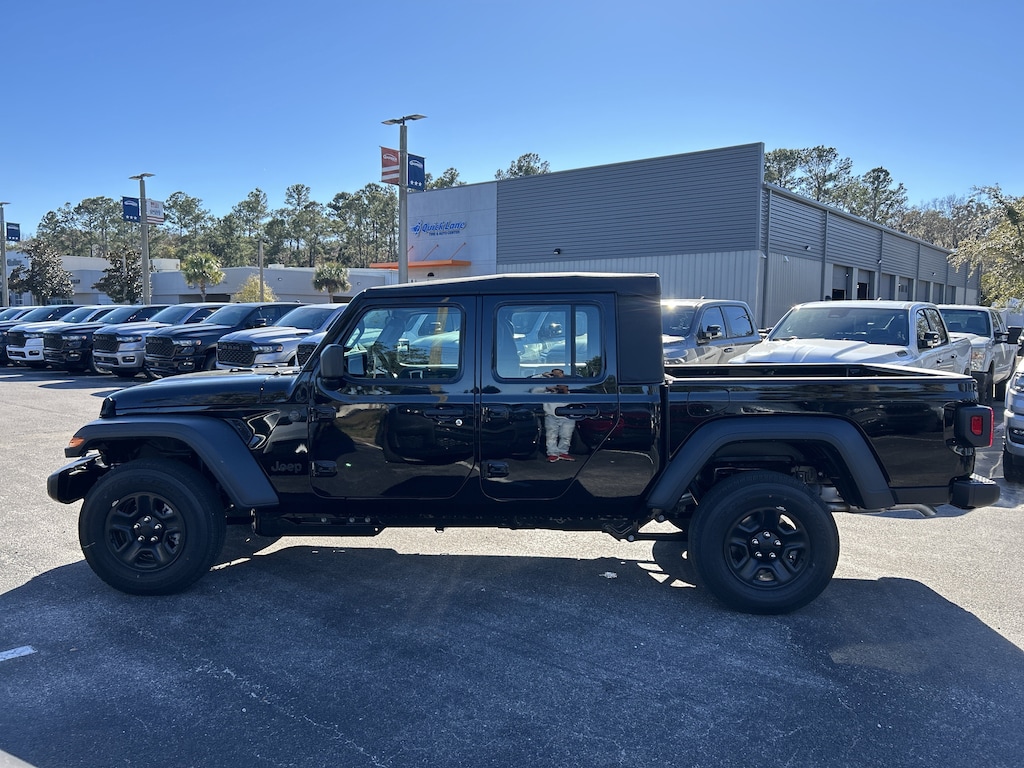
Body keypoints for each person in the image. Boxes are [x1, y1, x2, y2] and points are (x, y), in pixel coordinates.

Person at [539, 368, 575, 462]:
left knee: (566, 435)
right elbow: (533, 390)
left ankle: (563, 452)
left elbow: (574, 397)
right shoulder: (547, 387)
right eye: (554, 374)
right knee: (551, 435)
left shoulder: (570, 384)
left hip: (567, 414)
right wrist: (544, 378)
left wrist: (564, 389)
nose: (557, 376)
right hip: (551, 414)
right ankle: (552, 453)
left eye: (559, 374)